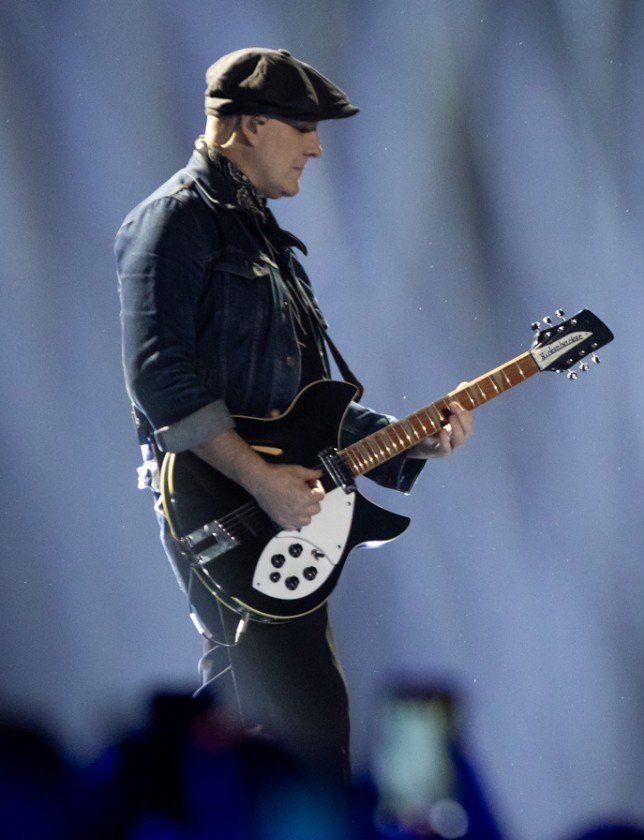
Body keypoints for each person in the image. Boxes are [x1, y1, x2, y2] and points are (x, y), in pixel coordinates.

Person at [118, 48, 474, 778]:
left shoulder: (270, 245)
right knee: (295, 712)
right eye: (303, 126)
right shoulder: (173, 222)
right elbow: (159, 376)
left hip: (266, 500)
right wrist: (261, 481)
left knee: (269, 706)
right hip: (221, 500)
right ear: (248, 125)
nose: (315, 146)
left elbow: (308, 407)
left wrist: (410, 442)